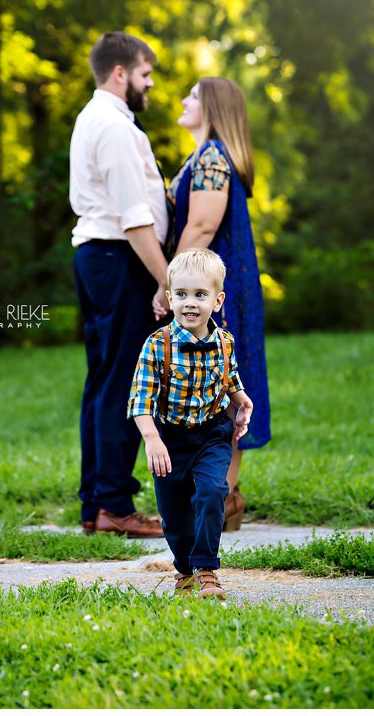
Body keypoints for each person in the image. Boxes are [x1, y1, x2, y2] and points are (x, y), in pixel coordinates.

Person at [70, 31, 170, 538]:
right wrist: (166, 280)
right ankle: (113, 506)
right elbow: (134, 218)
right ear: (120, 73)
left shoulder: (97, 119)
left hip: (100, 257)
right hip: (117, 258)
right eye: (145, 74)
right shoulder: (111, 125)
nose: (148, 84)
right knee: (124, 385)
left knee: (104, 381)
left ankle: (97, 505)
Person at [169, 77, 272, 530]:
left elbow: (202, 228)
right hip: (218, 283)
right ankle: (226, 495)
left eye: (193, 95)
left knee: (218, 384)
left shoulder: (211, 156)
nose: (184, 100)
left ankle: (224, 494)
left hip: (210, 285)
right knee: (217, 381)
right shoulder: (206, 154)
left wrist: (171, 284)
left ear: (211, 106)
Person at [128, 249, 254, 598]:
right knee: (174, 511)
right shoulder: (158, 345)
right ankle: (184, 570)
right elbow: (140, 399)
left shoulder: (224, 341)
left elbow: (229, 378)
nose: (190, 303)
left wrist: (240, 398)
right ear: (169, 298)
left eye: (200, 295)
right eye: (181, 294)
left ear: (217, 300)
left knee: (213, 491)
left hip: (212, 432)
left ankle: (207, 569)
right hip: (168, 438)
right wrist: (152, 439)